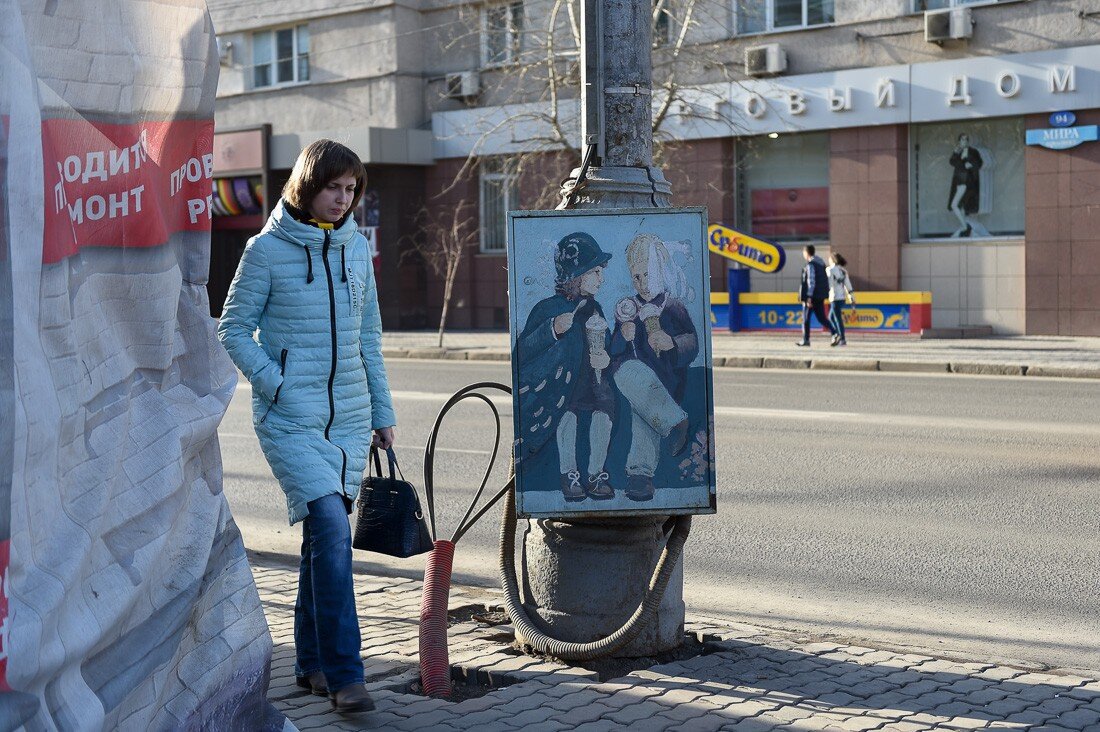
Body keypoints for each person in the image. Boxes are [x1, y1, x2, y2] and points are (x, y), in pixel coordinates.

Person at [218, 139, 394, 714]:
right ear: (306, 186)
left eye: (351, 191)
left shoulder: (356, 251)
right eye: (333, 188)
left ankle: (309, 663)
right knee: (331, 532)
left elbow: (369, 339)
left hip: (348, 421)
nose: (343, 201)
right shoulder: (265, 251)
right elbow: (233, 330)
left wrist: (383, 414)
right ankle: (347, 674)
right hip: (290, 420)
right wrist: (279, 385)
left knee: (323, 540)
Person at [514, 232, 616, 501]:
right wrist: (552, 330)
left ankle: (596, 474)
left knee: (603, 415)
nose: (601, 278)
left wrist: (605, 358)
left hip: (593, 384)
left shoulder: (596, 310)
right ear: (577, 275)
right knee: (567, 418)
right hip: (562, 387)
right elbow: (522, 352)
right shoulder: (548, 308)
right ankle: (569, 474)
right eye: (595, 272)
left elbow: (607, 344)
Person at [609, 233, 694, 502]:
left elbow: (692, 342)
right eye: (636, 277)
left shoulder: (673, 307)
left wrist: (672, 342)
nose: (642, 283)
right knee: (629, 373)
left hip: (666, 379)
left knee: (643, 411)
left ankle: (640, 476)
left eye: (647, 275)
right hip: (635, 374)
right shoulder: (628, 308)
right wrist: (623, 334)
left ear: (661, 272)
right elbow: (614, 352)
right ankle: (675, 421)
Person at [795, 244, 836, 347]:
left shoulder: (811, 265)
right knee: (822, 318)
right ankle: (835, 333)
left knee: (806, 319)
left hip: (811, 297)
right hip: (819, 295)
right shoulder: (821, 264)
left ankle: (806, 340)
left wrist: (809, 297)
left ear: (806, 253)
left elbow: (811, 282)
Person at [948, 133, 987, 238]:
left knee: (955, 204)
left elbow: (979, 163)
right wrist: (957, 155)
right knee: (960, 205)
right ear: (959, 141)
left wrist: (970, 165)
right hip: (958, 181)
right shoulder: (957, 151)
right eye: (962, 139)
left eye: (966, 139)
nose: (964, 141)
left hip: (967, 182)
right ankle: (964, 226)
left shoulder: (973, 152)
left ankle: (965, 227)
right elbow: (952, 162)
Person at [826, 252, 855, 347]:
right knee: (831, 317)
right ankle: (839, 336)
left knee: (837, 318)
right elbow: (848, 285)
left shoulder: (830, 269)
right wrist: (851, 297)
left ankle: (842, 338)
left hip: (834, 297)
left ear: (833, 259)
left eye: (829, 259)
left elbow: (829, 284)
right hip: (842, 297)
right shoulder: (843, 271)